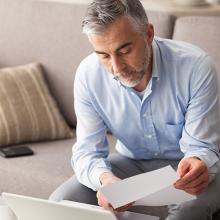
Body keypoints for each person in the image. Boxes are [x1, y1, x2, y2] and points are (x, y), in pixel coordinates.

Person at [50, 0, 220, 219]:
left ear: (148, 34)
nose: (116, 68)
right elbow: (86, 152)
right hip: (132, 162)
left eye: (125, 50)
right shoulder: (87, 76)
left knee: (187, 211)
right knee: (60, 203)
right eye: (103, 55)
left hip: (186, 166)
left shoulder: (196, 67)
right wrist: (105, 179)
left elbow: (201, 147)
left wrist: (198, 162)